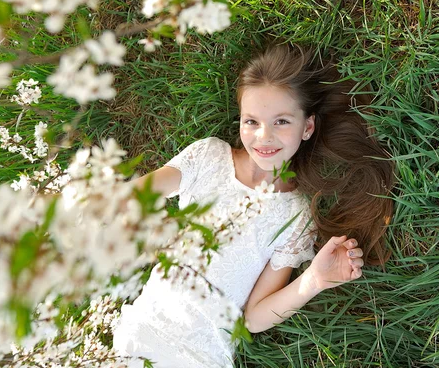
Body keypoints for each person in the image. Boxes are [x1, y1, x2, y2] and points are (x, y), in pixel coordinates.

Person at [111, 43, 395, 368]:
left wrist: (313, 281)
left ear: (308, 127)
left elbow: (254, 318)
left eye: (282, 122)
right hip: (141, 335)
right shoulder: (209, 156)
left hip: (202, 356)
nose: (263, 136)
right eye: (251, 122)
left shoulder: (296, 215)